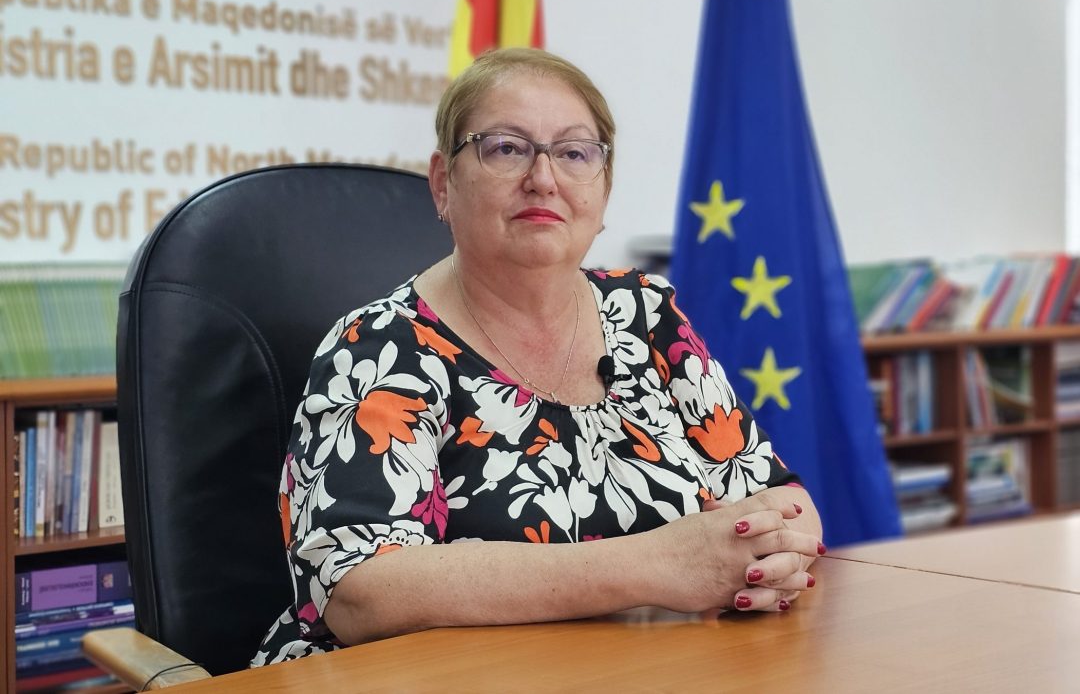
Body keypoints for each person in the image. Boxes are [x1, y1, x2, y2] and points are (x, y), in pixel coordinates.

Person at [253, 48, 824, 666]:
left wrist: (767, 556)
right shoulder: (381, 347)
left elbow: (785, 504)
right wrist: (658, 565)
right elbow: (360, 592)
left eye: (575, 153)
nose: (544, 179)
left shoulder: (646, 313)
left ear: (604, 189)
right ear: (443, 183)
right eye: (506, 148)